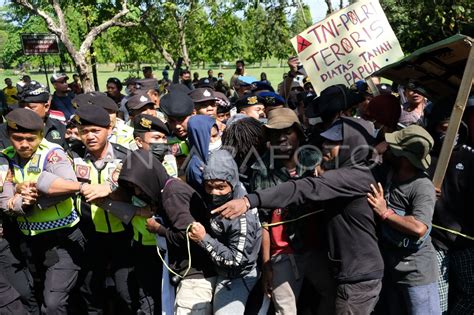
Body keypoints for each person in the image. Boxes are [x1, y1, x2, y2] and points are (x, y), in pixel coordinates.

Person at [214, 117, 385, 315]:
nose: (325, 147)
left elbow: (302, 188)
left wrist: (248, 201)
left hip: (358, 277)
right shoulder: (351, 172)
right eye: (325, 141)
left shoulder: (352, 177)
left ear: (352, 145)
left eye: (333, 143)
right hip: (350, 272)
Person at [1, 108, 86, 314]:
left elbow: (68, 184)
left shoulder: (53, 154)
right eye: (17, 138)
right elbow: (4, 199)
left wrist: (33, 187)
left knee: (53, 304)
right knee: (34, 296)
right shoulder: (5, 158)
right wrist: (20, 200)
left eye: (30, 139)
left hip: (62, 240)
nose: (23, 144)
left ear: (41, 135)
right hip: (29, 243)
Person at [251, 108, 335, 314]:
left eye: (288, 132)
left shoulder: (314, 158)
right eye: (275, 133)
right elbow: (264, 222)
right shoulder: (261, 169)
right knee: (285, 310)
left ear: (298, 133)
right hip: (283, 253)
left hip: (316, 247)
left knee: (333, 295)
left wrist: (323, 174)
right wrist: (266, 264)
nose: (282, 138)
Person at [118, 150, 216, 315]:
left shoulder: (172, 195)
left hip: (195, 277)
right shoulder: (170, 188)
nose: (137, 193)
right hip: (190, 273)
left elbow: (191, 236)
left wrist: (158, 229)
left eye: (138, 186)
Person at [368, 125, 440, 315]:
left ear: (404, 158)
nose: (388, 149)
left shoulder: (421, 186)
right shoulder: (390, 172)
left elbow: (419, 228)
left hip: (417, 275)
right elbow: (373, 153)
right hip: (393, 271)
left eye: (394, 147)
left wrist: (385, 212)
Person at [72, 103, 134, 313]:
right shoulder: (72, 155)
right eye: (84, 131)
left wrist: (109, 188)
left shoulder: (126, 156)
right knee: (91, 292)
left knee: (125, 292)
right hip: (89, 235)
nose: (89, 136)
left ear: (109, 130)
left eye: (95, 131)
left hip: (124, 235)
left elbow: (139, 192)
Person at [189, 149, 261, 315]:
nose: (214, 193)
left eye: (221, 187)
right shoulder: (217, 196)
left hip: (237, 276)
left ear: (232, 183)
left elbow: (236, 260)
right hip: (218, 268)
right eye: (209, 187)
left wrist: (203, 239)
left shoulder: (241, 217)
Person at [427, 101, 474, 314]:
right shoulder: (424, 158)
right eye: (443, 129)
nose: (449, 134)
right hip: (435, 240)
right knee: (437, 298)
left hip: (466, 240)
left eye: (453, 128)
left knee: (470, 293)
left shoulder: (470, 156)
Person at [0, 82, 67, 150]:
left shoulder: (59, 128)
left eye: (31, 107)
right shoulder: (4, 130)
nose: (25, 110)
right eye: (21, 106)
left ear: (46, 107)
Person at [185, 115, 222, 195]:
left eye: (215, 136)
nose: (213, 141)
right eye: (208, 138)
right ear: (197, 138)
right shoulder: (196, 167)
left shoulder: (219, 155)